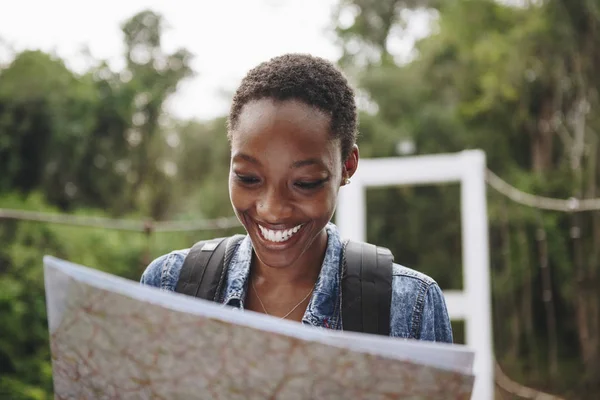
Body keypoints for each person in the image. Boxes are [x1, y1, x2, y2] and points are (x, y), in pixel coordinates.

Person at [140, 53, 453, 342]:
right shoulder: (168, 285)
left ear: (347, 166)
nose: (272, 209)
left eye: (305, 183)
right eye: (248, 178)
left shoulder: (411, 306)